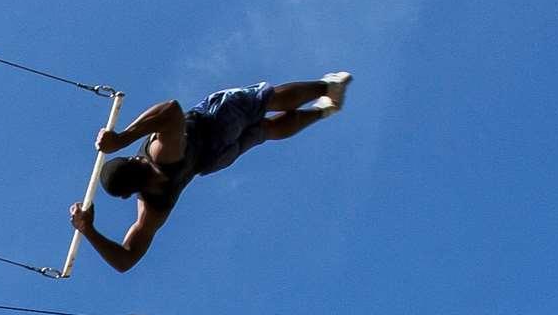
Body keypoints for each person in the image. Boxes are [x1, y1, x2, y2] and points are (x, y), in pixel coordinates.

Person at [67, 73, 352, 274]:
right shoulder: (158, 154)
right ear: (133, 160)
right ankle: (328, 87)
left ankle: (323, 112)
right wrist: (123, 138)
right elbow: (171, 110)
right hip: (217, 125)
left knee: (268, 130)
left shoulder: (153, 206)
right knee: (264, 101)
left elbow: (126, 260)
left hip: (216, 158)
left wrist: (89, 229)